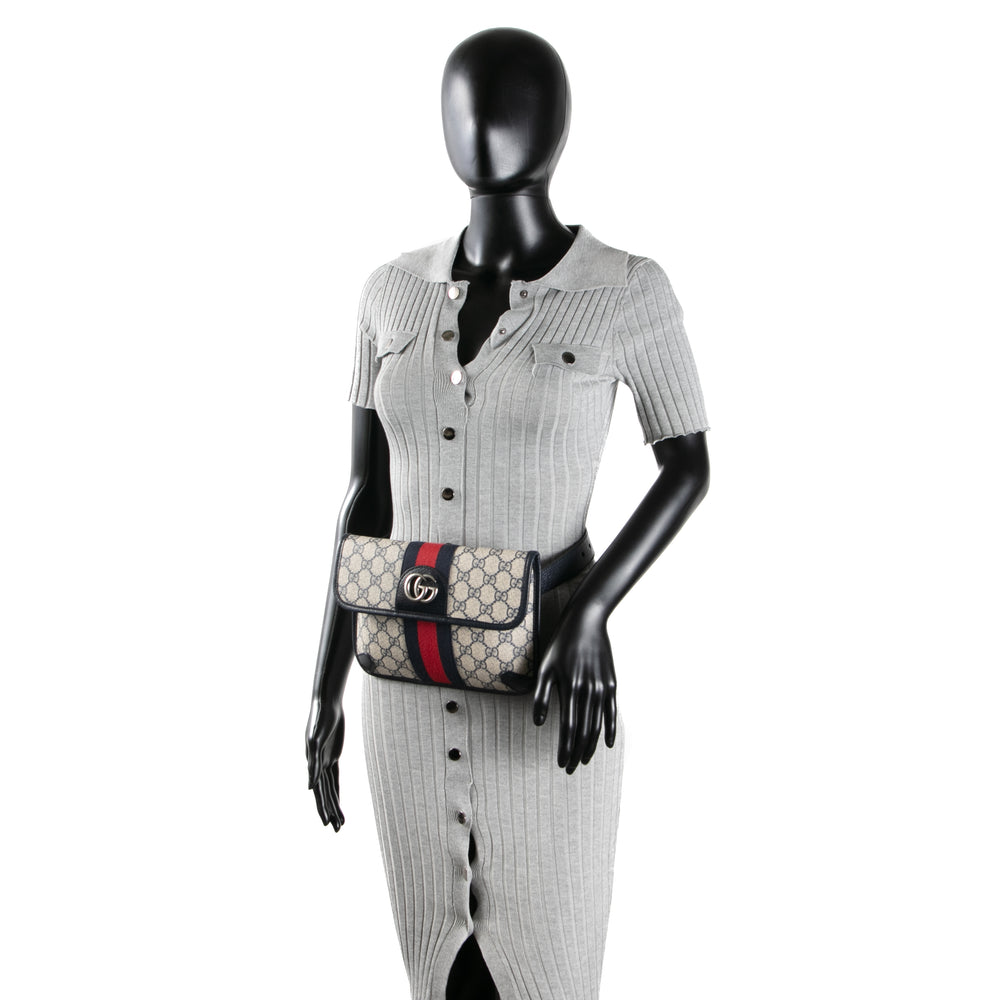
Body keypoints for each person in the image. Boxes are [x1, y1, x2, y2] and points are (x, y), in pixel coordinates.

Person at [306, 26, 711, 1000]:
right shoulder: (388, 294)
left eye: (509, 103)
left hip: (547, 689)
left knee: (549, 975)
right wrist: (324, 683)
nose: (484, 125)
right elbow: (366, 495)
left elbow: (688, 464)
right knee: (436, 978)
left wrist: (593, 606)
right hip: (402, 696)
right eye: (465, 104)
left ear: (556, 125)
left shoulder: (626, 292)